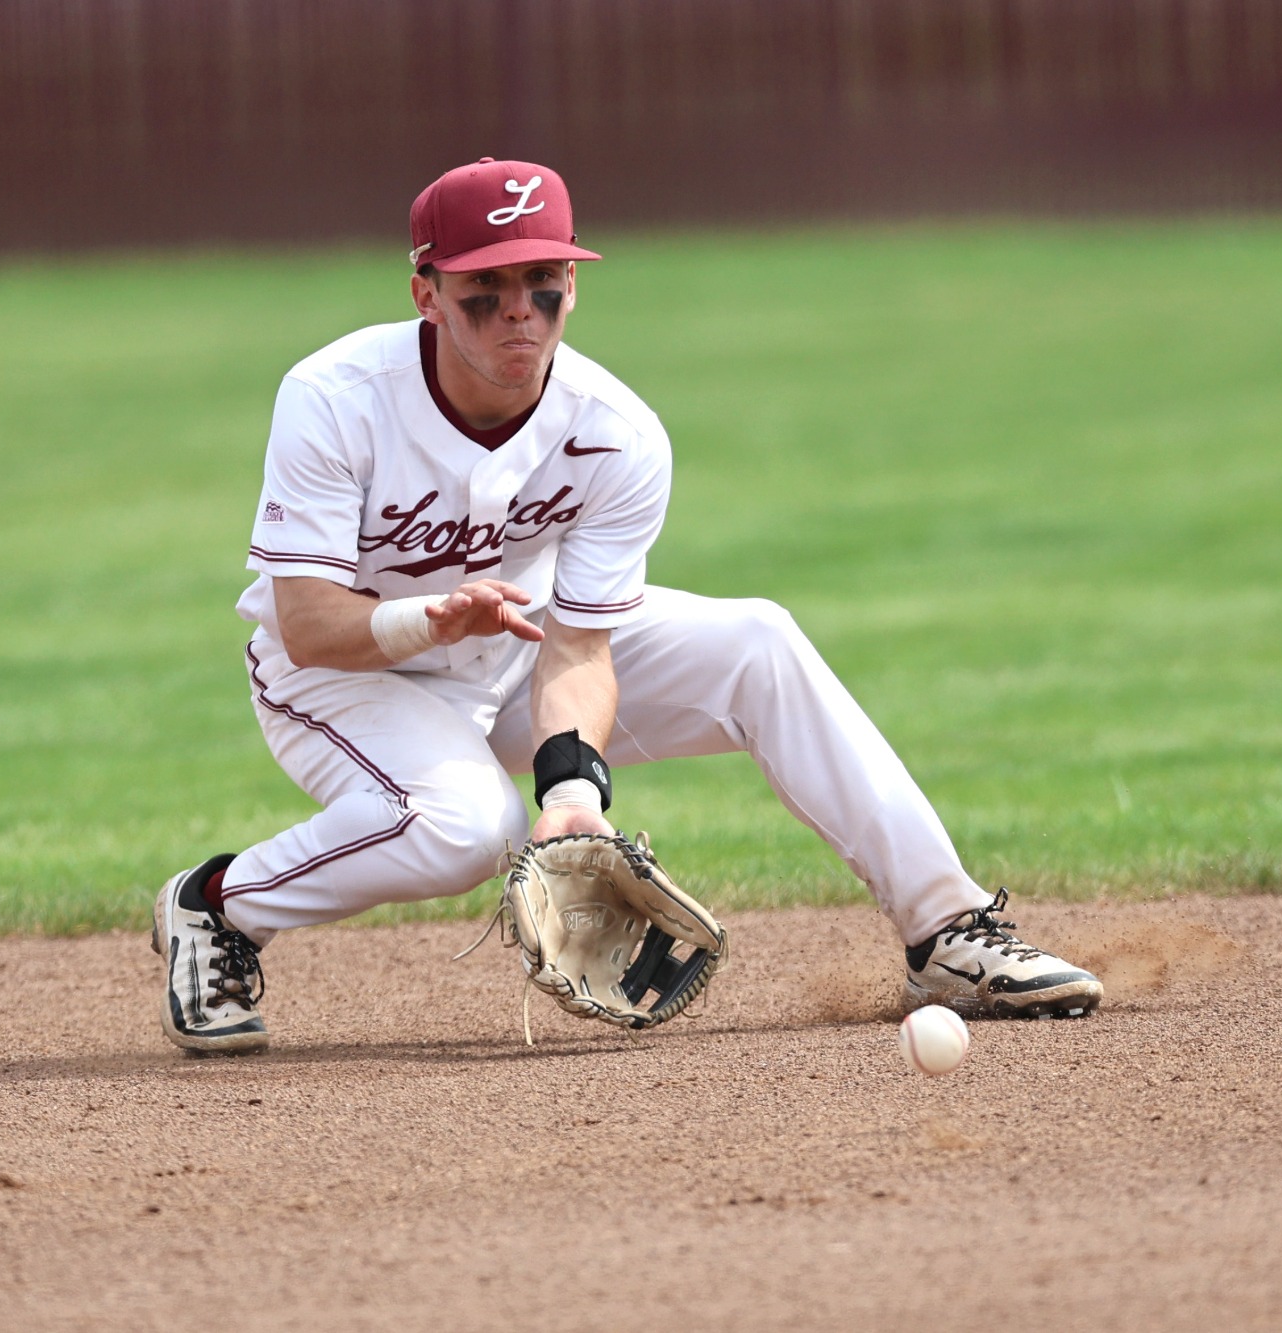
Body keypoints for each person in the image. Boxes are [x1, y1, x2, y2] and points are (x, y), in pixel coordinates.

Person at [150, 157, 1102, 1054]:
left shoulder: (615, 433)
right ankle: (219, 903)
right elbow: (307, 622)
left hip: (515, 652)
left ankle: (946, 931)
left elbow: (580, 642)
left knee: (757, 641)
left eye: (545, 286)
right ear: (425, 293)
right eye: (486, 290)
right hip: (341, 678)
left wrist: (571, 793)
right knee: (469, 825)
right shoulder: (335, 398)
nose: (520, 315)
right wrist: (425, 618)